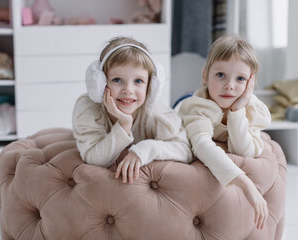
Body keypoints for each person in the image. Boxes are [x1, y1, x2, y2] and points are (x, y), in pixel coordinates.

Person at [178, 35, 271, 230]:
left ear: (250, 83)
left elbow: (244, 151)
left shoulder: (252, 108)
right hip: (185, 106)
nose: (230, 85)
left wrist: (237, 111)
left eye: (241, 79)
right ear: (205, 76)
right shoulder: (198, 107)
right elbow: (202, 145)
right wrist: (246, 184)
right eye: (221, 75)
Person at [73, 36, 192, 184]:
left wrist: (144, 150)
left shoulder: (156, 112)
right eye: (117, 80)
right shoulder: (89, 108)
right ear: (100, 83)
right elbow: (94, 158)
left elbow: (184, 151)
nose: (128, 90)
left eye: (138, 81)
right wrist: (123, 125)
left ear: (151, 86)